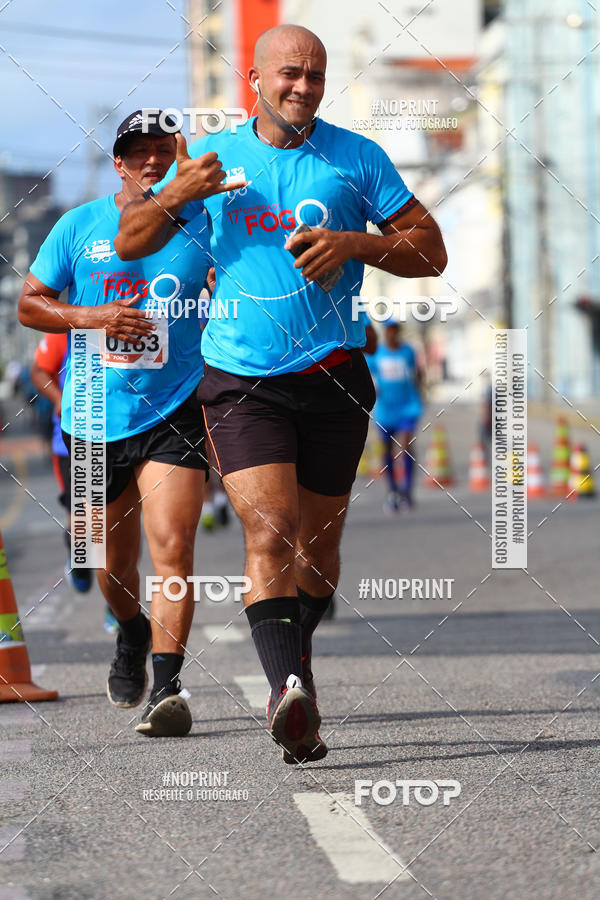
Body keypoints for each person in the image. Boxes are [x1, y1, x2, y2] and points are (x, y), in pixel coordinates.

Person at [115, 25, 447, 763]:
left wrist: (355, 243)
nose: (304, 86)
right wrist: (176, 193)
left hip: (334, 376)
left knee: (318, 556)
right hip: (240, 381)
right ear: (256, 79)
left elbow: (431, 249)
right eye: (290, 73)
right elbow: (133, 239)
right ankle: (289, 692)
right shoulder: (216, 160)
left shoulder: (357, 159)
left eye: (317, 75)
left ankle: (295, 647)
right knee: (270, 533)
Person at [17, 109, 228, 737]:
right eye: (138, 152)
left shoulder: (207, 221)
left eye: (164, 149)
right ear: (119, 163)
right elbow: (32, 305)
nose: (152, 161)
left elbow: (243, 283)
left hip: (176, 407)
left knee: (174, 547)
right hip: (91, 415)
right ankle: (131, 632)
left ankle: (168, 685)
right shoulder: (79, 225)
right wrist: (95, 318)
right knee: (109, 562)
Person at [370, 322, 424, 512]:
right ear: (385, 332)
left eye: (395, 330)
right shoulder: (376, 354)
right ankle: (393, 489)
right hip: (385, 409)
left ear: (398, 332)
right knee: (387, 450)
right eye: (388, 330)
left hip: (408, 406)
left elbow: (418, 372)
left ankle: (407, 490)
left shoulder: (408, 351)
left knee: (406, 445)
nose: (392, 334)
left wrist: (420, 391)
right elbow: (369, 375)